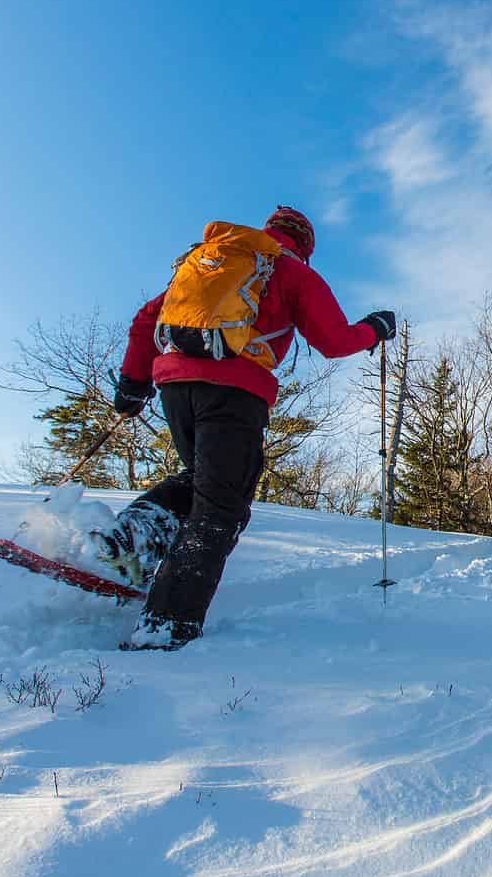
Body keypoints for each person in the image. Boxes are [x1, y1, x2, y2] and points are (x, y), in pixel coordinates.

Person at [98, 205, 395, 650]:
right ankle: (165, 626)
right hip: (236, 390)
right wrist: (374, 329)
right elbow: (333, 342)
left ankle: (132, 537)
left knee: (205, 482)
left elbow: (146, 321)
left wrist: (132, 383)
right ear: (306, 246)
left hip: (174, 387)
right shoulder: (292, 272)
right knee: (222, 508)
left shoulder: (209, 262)